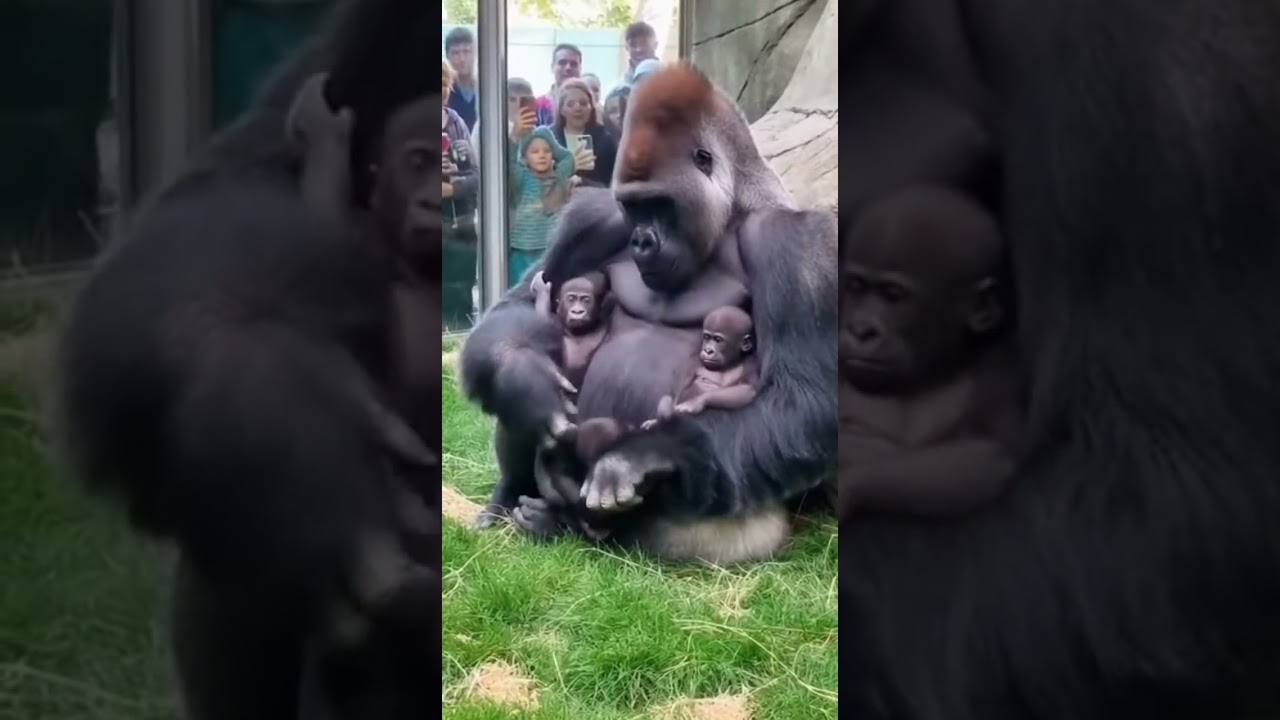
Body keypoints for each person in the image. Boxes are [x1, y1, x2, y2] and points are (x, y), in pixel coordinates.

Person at [507, 124, 577, 288]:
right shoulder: (522, 178)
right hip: (522, 250)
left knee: (549, 289)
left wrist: (549, 139)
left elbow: (568, 157)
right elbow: (509, 161)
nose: (542, 155)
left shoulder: (559, 175)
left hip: (550, 249)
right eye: (534, 151)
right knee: (521, 290)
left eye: (547, 150)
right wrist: (516, 138)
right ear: (525, 157)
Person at [442, 59, 479, 329]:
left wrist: (453, 187)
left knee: (462, 299)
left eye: (444, 83)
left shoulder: (458, 125)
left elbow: (478, 177)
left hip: (462, 224)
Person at [551, 78, 618, 188]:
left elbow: (611, 183)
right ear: (561, 109)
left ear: (591, 107)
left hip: (594, 201)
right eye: (571, 104)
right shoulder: (548, 139)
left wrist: (583, 182)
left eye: (583, 103)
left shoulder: (605, 140)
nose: (578, 108)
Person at [535, 43, 582, 127]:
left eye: (573, 64)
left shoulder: (589, 107)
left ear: (580, 69)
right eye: (562, 63)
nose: (568, 68)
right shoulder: (538, 105)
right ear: (552, 67)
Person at [444, 27, 478, 132]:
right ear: (447, 56)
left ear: (475, 53)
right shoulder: (445, 90)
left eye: (466, 51)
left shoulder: (487, 88)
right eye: (456, 53)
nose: (462, 59)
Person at [621, 22, 659, 86]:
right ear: (627, 47)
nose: (639, 50)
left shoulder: (670, 82)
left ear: (655, 45)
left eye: (644, 44)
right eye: (633, 45)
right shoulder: (620, 89)